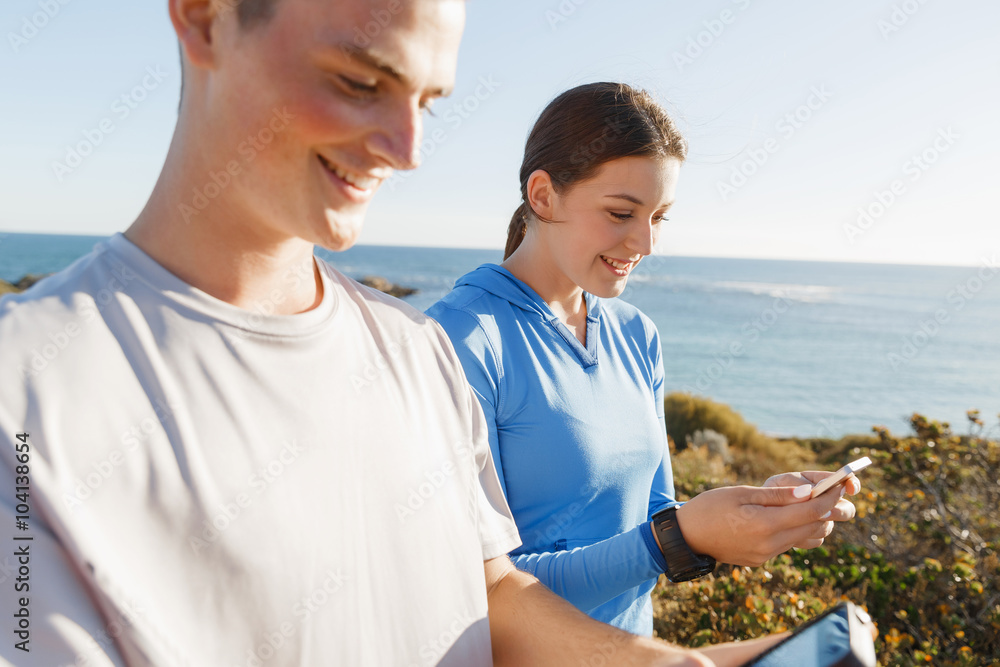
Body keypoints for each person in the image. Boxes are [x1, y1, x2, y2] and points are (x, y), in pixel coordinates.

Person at [0, 2, 795, 666]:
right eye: (358, 80)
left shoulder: (416, 355)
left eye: (428, 102)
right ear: (206, 18)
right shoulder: (25, 390)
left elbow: (492, 604)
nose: (409, 151)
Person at [426, 82, 861, 637]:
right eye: (621, 213)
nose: (646, 244)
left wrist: (755, 510)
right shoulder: (459, 340)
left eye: (659, 217)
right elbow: (476, 589)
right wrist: (676, 539)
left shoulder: (637, 334)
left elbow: (652, 513)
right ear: (543, 196)